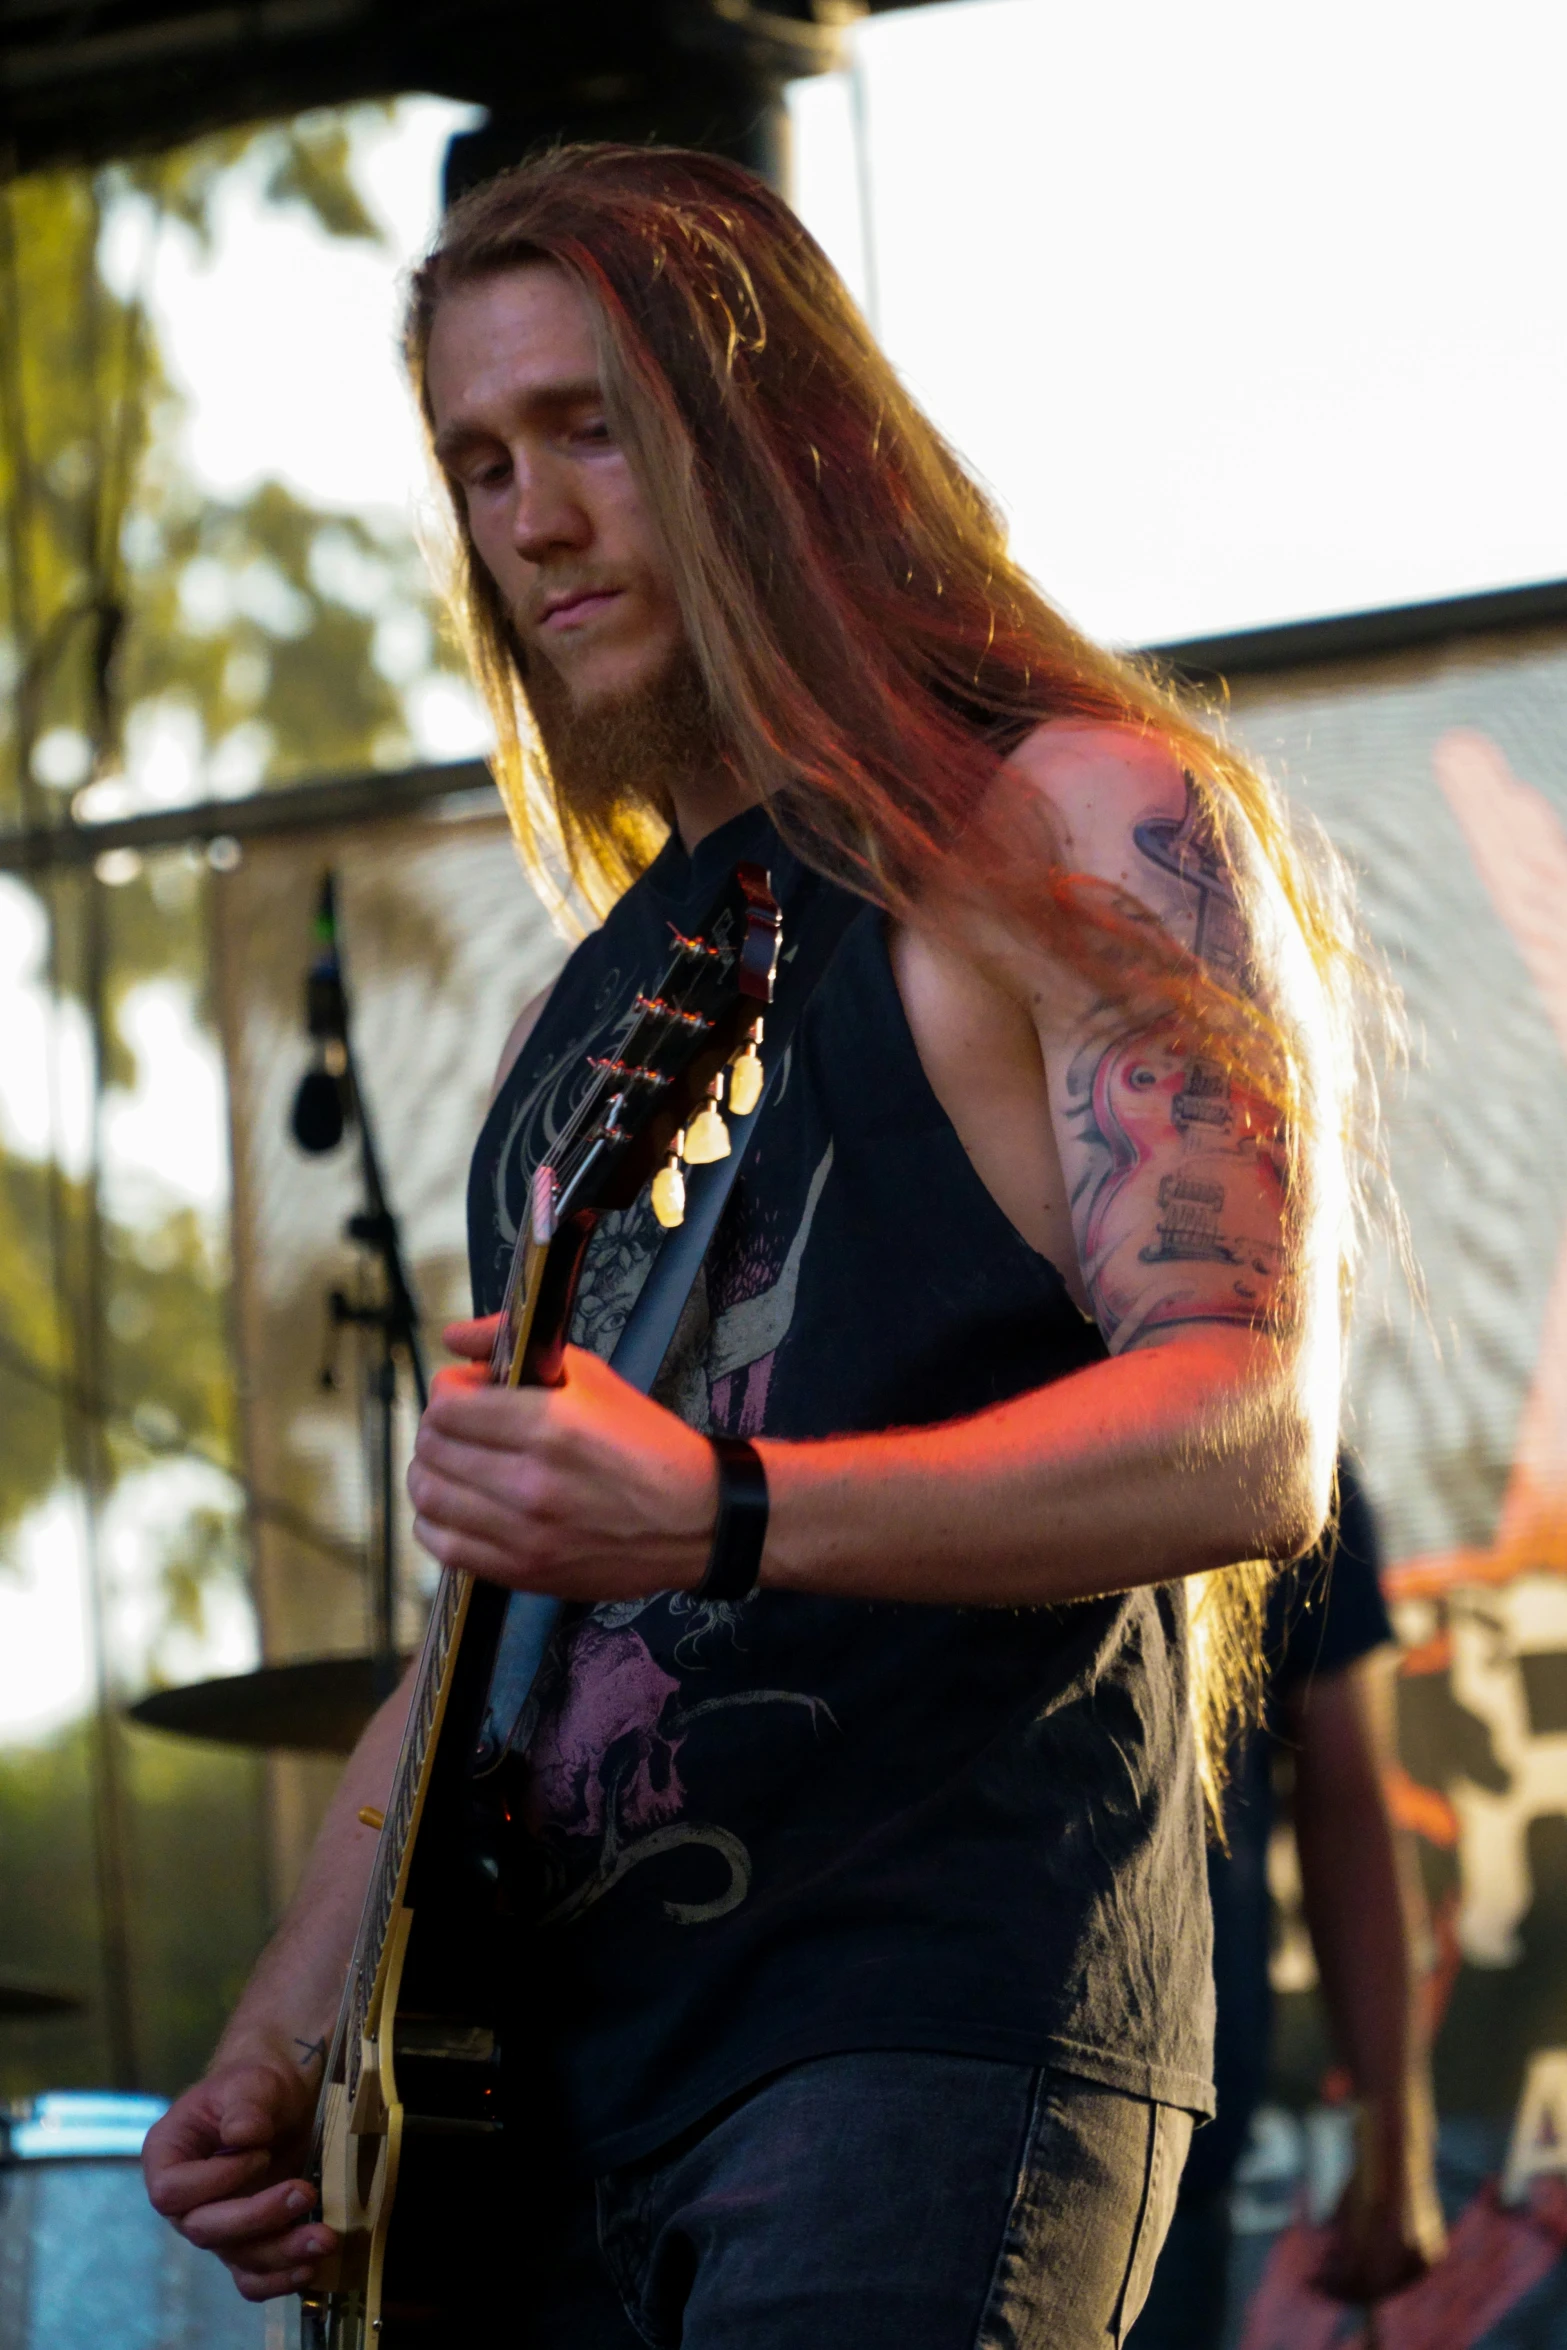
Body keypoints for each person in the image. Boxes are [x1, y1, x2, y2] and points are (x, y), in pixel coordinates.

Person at [142, 145, 1367, 2347]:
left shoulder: (1070, 814)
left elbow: (1243, 1432)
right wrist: (285, 2020)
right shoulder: (568, 1015)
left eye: (592, 426)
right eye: (479, 459)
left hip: (915, 2005)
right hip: (533, 2097)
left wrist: (718, 1506)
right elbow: (500, 1605)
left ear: (773, 426)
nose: (531, 517)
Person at [1128, 1461, 1446, 2350]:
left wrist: (1394, 2126)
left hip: (1163, 2154)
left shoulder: (1260, 1436)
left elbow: (1347, 1803)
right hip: (848, 2113)